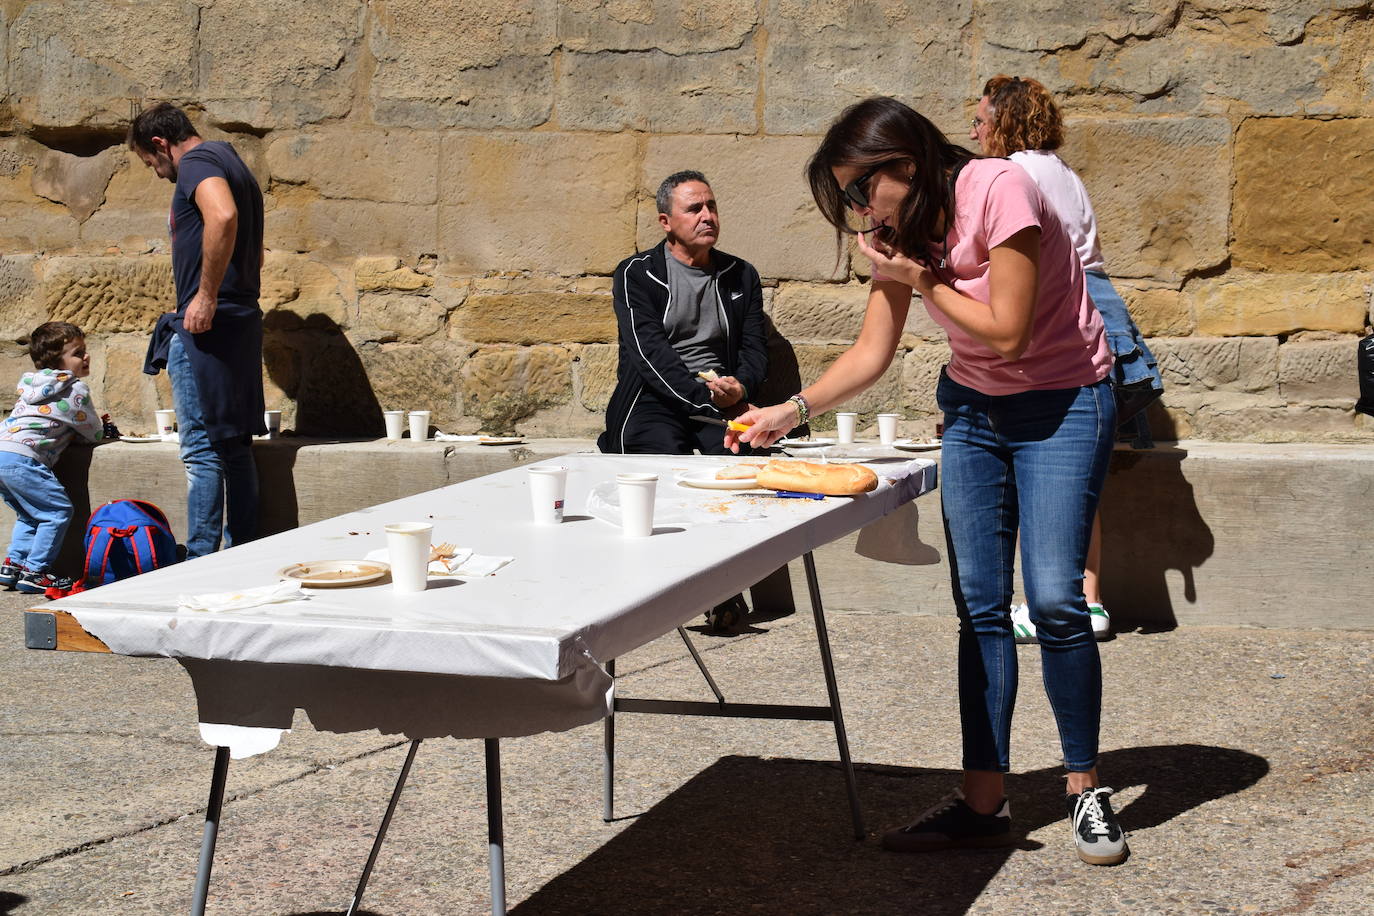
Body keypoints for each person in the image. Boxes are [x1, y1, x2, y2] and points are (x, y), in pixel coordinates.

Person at [728, 97, 1128, 865]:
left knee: (1052, 599)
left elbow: (1009, 333)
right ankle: (984, 806)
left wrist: (924, 279)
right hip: (975, 411)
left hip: (1065, 400)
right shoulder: (894, 230)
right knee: (979, 605)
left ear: (904, 166)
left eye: (857, 189)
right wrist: (790, 409)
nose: (854, 208)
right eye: (844, 195)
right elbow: (874, 349)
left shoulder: (997, 186)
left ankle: (1084, 787)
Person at [971, 75, 1165, 643]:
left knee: (1041, 466)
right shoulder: (1062, 171)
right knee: (1080, 476)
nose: (976, 131)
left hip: (1059, 315)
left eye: (982, 120)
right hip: (1101, 310)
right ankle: (1089, 598)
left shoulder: (1017, 175)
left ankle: (1046, 602)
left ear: (1005, 121)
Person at [599, 170, 769, 632]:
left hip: (721, 398)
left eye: (711, 206)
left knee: (738, 469)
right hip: (654, 397)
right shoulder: (638, 273)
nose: (707, 216)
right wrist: (702, 399)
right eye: (694, 209)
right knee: (662, 468)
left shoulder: (740, 274)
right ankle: (654, 595)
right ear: (665, 221)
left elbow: (755, 348)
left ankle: (729, 593)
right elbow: (647, 351)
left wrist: (740, 388)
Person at [129, 102, 266, 558]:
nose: (156, 172)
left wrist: (204, 296)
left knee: (201, 451)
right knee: (234, 445)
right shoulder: (233, 161)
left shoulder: (197, 162)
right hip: (238, 318)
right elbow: (254, 249)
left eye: (151, 163)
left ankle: (202, 556)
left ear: (160, 144)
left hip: (206, 328)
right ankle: (243, 549)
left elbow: (222, 217)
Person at [0, 322, 103, 594]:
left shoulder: (31, 385)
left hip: (3, 452)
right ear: (60, 361)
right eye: (78, 353)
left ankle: (13, 565)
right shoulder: (74, 389)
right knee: (57, 512)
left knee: (29, 513)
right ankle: (36, 572)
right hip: (24, 458)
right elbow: (91, 431)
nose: (86, 357)